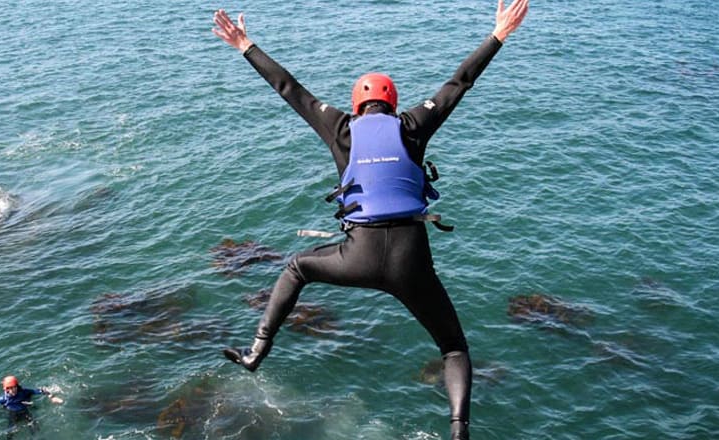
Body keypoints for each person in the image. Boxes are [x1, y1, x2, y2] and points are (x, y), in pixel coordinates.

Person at [211, 1, 529, 439]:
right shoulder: (413, 126)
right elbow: (460, 82)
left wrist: (244, 43)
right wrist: (498, 34)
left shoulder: (341, 129)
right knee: (453, 347)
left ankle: (256, 353)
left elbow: (290, 88)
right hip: (410, 261)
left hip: (355, 256)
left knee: (297, 267)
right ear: (392, 105)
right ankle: (458, 432)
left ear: (357, 107)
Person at [0, 375, 64, 439]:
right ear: (6, 389)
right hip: (12, 414)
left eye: (14, 387)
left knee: (35, 427)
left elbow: (41, 391)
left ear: (17, 386)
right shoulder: (3, 399)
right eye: (10, 388)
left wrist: (52, 397)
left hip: (25, 411)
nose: (13, 390)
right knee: (10, 433)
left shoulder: (24, 392)